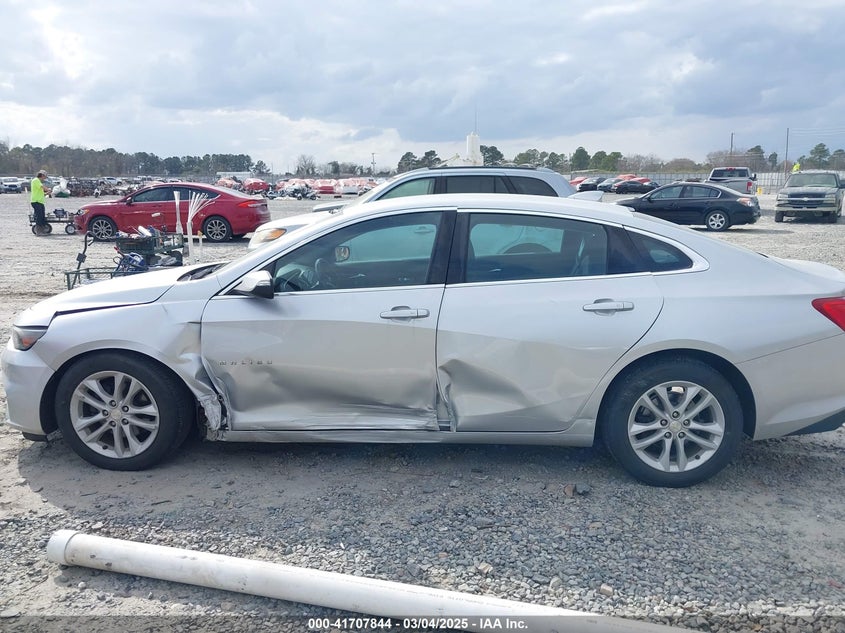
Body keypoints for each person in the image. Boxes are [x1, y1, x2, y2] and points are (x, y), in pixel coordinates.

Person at [30, 170, 50, 235]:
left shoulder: (38, 182)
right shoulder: (36, 180)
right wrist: (48, 189)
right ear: (42, 175)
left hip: (40, 202)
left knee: (42, 216)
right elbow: (42, 187)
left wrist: (47, 193)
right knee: (39, 216)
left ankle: (42, 230)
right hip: (36, 201)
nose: (45, 178)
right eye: (45, 176)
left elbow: (41, 193)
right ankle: (38, 231)